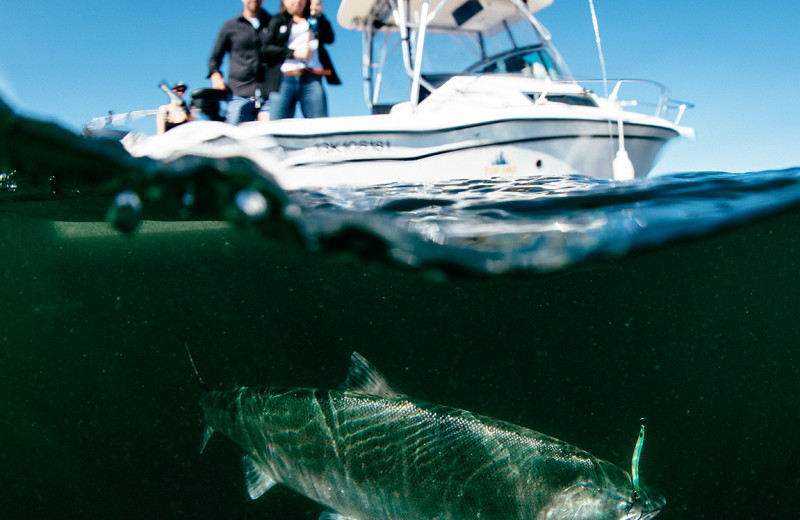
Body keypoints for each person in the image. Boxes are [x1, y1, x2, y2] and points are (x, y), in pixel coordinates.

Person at [263, 0, 340, 120]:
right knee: (277, 126)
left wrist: (320, 15)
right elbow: (266, 48)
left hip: (312, 78)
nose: (297, 1)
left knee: (319, 125)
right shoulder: (277, 20)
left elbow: (329, 38)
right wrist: (293, 53)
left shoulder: (314, 19)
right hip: (284, 79)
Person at [208, 0, 280, 124]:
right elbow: (214, 59)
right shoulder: (230, 26)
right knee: (235, 134)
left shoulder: (275, 23)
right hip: (239, 93)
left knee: (271, 133)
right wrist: (216, 78)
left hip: (269, 93)